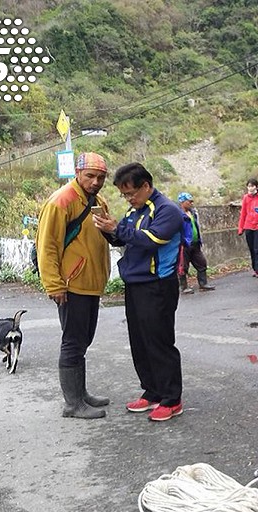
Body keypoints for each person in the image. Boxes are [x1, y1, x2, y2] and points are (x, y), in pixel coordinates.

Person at [92, 163, 185, 422]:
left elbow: (152, 239)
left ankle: (171, 398)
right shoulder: (136, 211)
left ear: (146, 186)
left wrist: (118, 229)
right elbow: (125, 238)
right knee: (140, 341)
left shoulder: (168, 210)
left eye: (131, 193)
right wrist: (107, 230)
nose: (129, 199)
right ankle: (152, 391)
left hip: (158, 284)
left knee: (159, 341)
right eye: (124, 195)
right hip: (134, 283)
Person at [35, 152, 112, 420]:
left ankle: (80, 394)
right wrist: (54, 284)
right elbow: (47, 246)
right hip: (71, 284)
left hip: (90, 283)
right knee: (73, 341)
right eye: (90, 176)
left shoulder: (97, 200)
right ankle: (72, 404)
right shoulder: (61, 201)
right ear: (77, 173)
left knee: (83, 340)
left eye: (101, 177)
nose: (95, 181)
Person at [176, 192, 215, 293]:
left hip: (195, 243)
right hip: (184, 244)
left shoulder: (193, 213)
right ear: (182, 202)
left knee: (201, 263)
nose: (191, 203)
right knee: (183, 266)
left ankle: (203, 284)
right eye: (189, 202)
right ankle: (183, 287)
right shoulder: (177, 214)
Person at [237, 178, 258, 278]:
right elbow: (243, 213)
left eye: (252, 186)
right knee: (252, 249)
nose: (250, 188)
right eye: (248, 186)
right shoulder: (246, 198)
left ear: (256, 187)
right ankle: (255, 269)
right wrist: (241, 228)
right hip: (248, 226)